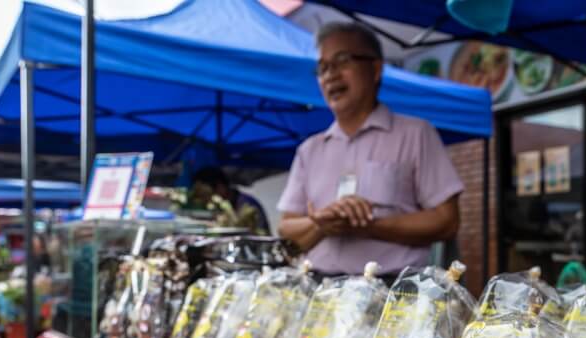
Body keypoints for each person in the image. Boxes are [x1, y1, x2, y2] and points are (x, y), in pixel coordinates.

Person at [278, 22, 463, 281]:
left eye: (342, 61)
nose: (331, 75)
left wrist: (369, 226)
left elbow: (447, 222)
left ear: (375, 69)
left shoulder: (416, 134)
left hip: (394, 291)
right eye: (323, 68)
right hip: (319, 292)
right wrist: (322, 224)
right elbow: (287, 229)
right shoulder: (310, 150)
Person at [190, 166, 270, 233]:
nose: (206, 201)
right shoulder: (221, 207)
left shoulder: (247, 205)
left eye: (206, 196)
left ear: (220, 187)